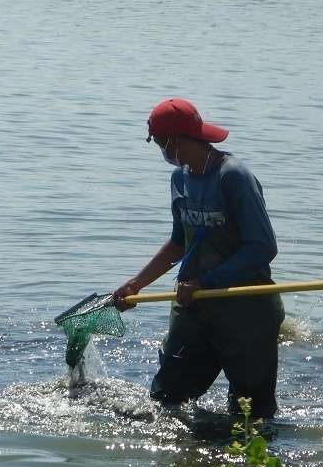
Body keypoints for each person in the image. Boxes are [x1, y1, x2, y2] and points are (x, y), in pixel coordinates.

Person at [112, 98, 285, 419]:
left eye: (162, 145)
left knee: (251, 413)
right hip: (193, 307)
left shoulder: (233, 177)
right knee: (167, 399)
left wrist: (206, 281)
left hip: (244, 310)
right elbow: (180, 242)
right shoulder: (181, 178)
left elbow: (262, 247)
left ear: (175, 142)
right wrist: (136, 284)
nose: (162, 153)